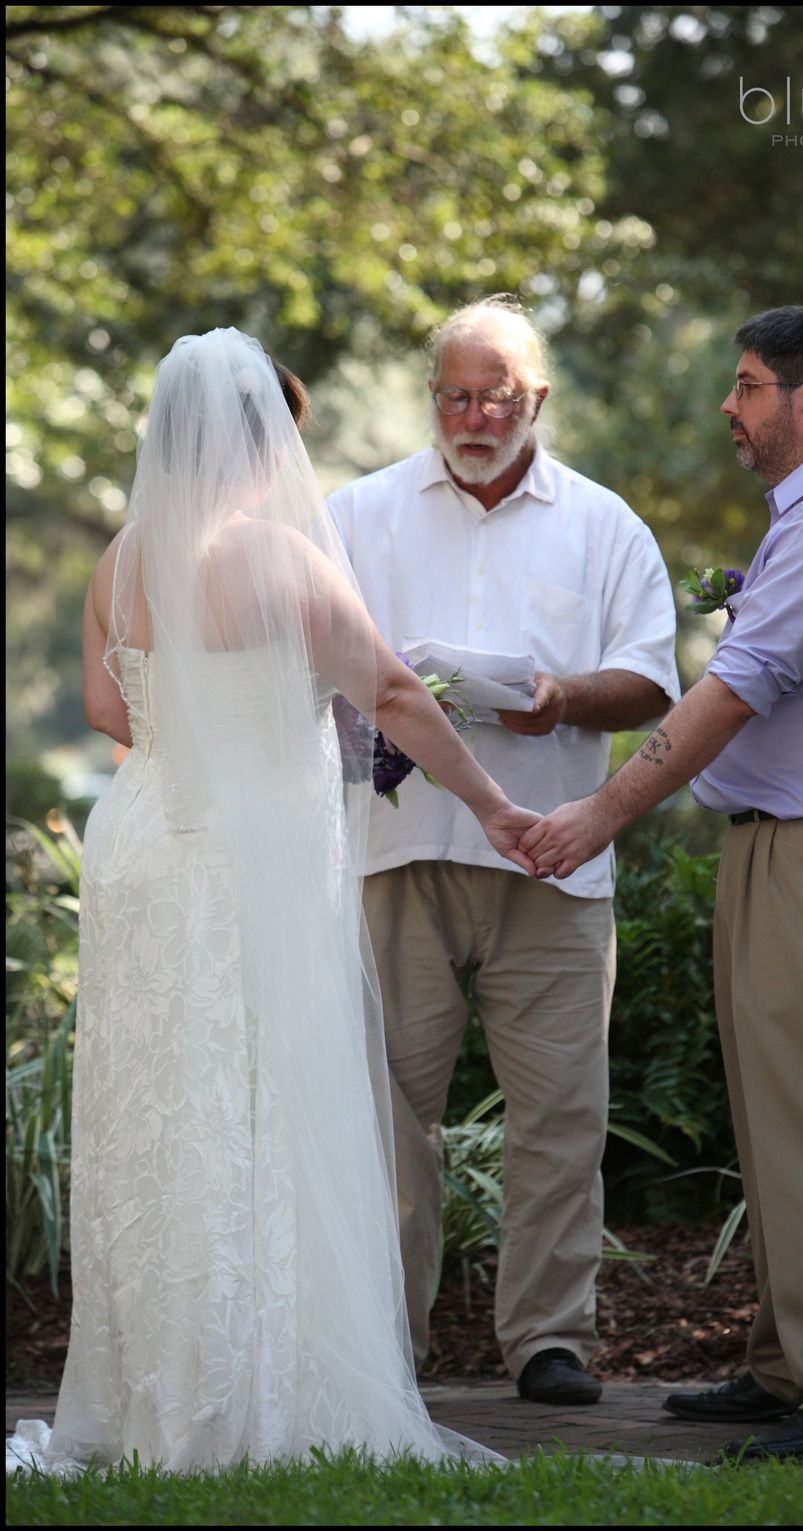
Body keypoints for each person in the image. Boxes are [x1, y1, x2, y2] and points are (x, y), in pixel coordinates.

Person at [8, 329, 539, 1475]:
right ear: (264, 440)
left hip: (149, 841)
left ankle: (152, 1396)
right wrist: (493, 805)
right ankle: (258, 1389)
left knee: (161, 1105)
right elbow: (393, 691)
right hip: (250, 855)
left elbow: (112, 709)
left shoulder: (121, 561)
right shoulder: (283, 561)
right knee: (261, 1099)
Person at [521, 305, 803, 1459]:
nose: (730, 405)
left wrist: (598, 812)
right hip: (785, 847)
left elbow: (732, 690)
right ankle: (789, 1362)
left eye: (747, 384)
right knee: (777, 1119)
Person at [327, 296, 680, 1405]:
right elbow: (312, 664)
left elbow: (653, 679)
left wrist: (562, 695)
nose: (472, 415)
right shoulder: (357, 512)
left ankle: (547, 1341)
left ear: (538, 400)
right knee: (388, 1111)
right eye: (453, 394)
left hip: (552, 856)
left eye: (495, 396)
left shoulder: (605, 524)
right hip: (397, 848)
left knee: (562, 1114)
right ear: (433, 395)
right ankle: (388, 1341)